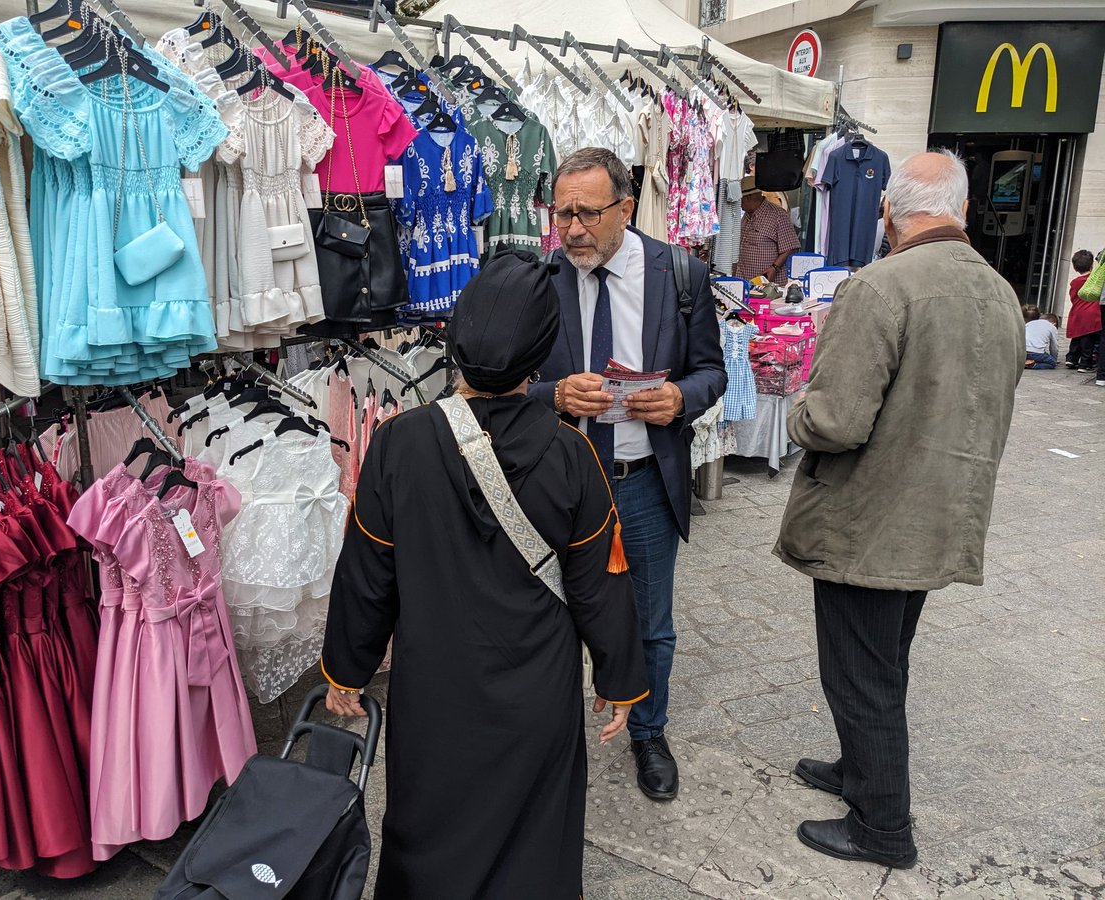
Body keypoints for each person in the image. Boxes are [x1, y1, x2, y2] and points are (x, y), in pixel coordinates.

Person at [320, 251, 649, 899]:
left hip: (434, 692)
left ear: (455, 339)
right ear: (540, 359)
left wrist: (346, 670)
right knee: (536, 845)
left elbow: (366, 575)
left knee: (428, 831)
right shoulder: (570, 453)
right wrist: (619, 679)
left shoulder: (398, 443)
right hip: (537, 699)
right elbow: (599, 582)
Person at [774, 150, 1025, 869]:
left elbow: (835, 421)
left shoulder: (882, 287)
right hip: (937, 518)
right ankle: (859, 773)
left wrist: (798, 408)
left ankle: (882, 829)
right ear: (964, 212)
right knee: (883, 664)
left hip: (869, 523)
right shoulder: (1000, 293)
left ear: (887, 211)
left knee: (863, 676)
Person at [533, 147, 727, 801]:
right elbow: (503, 386)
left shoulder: (681, 276)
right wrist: (554, 397)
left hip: (642, 480)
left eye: (588, 212)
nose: (574, 228)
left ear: (626, 207)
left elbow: (711, 371)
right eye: (562, 213)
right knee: (549, 617)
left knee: (650, 623)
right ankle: (551, 737)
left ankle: (649, 731)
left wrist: (681, 398)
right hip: (559, 484)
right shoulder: (540, 278)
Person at [735, 175, 801, 286]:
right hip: (744, 279)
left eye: (741, 200)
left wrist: (774, 268)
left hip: (768, 283)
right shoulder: (747, 215)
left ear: (749, 197)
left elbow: (790, 246)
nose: (740, 205)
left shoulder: (777, 215)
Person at [1065, 249, 1099, 371]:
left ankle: (1071, 359)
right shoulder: (1094, 280)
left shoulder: (1075, 282)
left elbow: (1073, 296)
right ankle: (1085, 363)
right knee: (1088, 341)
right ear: (1091, 265)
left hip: (1077, 312)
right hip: (1092, 314)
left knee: (1076, 337)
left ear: (1075, 268)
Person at [1023, 305, 1059, 369]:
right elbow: (1054, 347)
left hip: (1023, 352)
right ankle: (1033, 365)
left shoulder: (1028, 324)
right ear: (1054, 323)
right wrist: (1054, 358)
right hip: (1036, 353)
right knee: (1052, 363)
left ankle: (1025, 361)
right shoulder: (1052, 327)